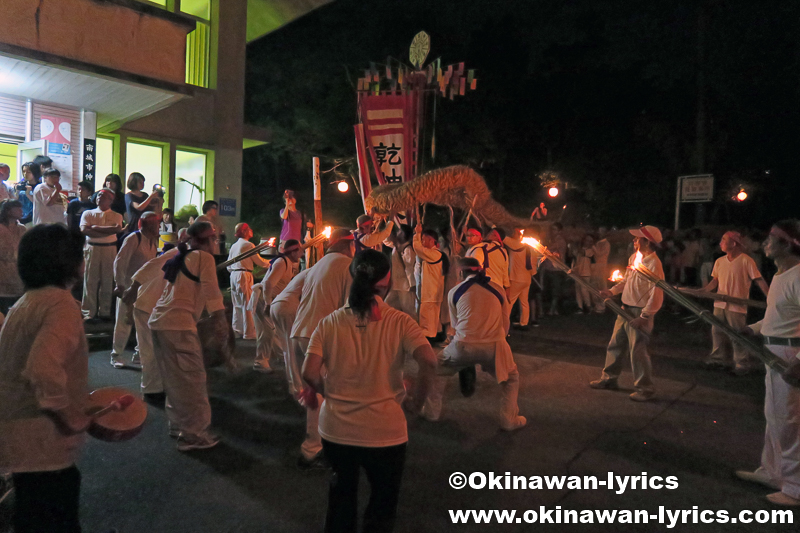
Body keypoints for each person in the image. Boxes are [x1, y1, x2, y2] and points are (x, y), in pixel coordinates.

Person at [302, 249, 436, 533]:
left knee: (341, 498)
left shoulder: (330, 323)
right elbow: (429, 361)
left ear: (353, 276)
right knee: (382, 504)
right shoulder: (400, 322)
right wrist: (415, 402)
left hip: (337, 429)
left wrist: (332, 390)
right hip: (385, 432)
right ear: (386, 280)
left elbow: (309, 373)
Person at [0, 224, 93, 533]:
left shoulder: (25, 303)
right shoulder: (61, 305)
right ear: (67, 262)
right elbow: (43, 368)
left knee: (30, 517)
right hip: (44, 441)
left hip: (18, 438)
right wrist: (70, 416)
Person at [735, 220, 800, 506]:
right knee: (774, 417)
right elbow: (778, 317)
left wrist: (799, 361)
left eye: (771, 238)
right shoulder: (780, 275)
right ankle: (772, 472)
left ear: (787, 244)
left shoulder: (799, 276)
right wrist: (754, 328)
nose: (765, 243)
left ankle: (795, 488)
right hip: (774, 352)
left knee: (789, 422)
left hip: (789, 356)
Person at [149, 221, 228, 451]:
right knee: (193, 381)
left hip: (159, 322)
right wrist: (221, 322)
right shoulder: (204, 258)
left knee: (174, 380)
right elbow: (212, 292)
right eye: (212, 238)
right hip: (178, 326)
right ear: (203, 240)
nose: (214, 242)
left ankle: (178, 426)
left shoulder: (181, 256)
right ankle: (193, 435)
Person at [422, 257, 527, 430]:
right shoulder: (498, 289)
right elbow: (505, 323)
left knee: (437, 371)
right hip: (495, 346)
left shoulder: (455, 292)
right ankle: (509, 420)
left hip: (463, 346)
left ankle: (432, 412)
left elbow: (456, 327)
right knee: (511, 379)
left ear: (461, 272)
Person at [291, 228, 355, 469]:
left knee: (315, 393)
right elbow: (349, 308)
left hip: (301, 331)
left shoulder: (319, 264)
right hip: (319, 336)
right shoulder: (347, 266)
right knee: (329, 392)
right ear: (350, 245)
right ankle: (315, 449)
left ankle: (318, 445)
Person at [590, 225, 664, 401]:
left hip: (640, 312)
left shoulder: (654, 263)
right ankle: (609, 379)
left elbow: (657, 292)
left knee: (638, 350)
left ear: (647, 241)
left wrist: (644, 316)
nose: (634, 240)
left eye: (638, 238)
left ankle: (645, 388)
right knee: (615, 344)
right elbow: (626, 280)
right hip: (624, 308)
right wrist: (612, 291)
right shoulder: (634, 257)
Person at [703, 231, 770, 374]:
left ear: (733, 243)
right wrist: (703, 291)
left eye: (723, 240)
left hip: (736, 305)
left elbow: (758, 279)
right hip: (719, 303)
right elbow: (714, 282)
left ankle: (742, 364)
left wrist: (770, 297)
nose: (720, 243)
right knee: (717, 332)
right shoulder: (719, 261)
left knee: (738, 334)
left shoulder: (746, 260)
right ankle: (717, 359)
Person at [122, 248, 177, 402]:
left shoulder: (187, 255)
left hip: (153, 305)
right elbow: (152, 265)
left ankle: (156, 387)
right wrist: (133, 288)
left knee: (154, 349)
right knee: (150, 350)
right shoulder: (178, 252)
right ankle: (152, 390)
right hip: (148, 305)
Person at [110, 212, 159, 368]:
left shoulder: (153, 241)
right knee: (124, 321)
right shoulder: (133, 239)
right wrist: (119, 284)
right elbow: (120, 262)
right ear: (147, 224)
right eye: (155, 224)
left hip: (145, 289)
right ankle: (116, 354)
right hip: (128, 287)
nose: (158, 226)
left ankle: (139, 353)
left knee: (144, 322)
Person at [251, 238, 302, 373]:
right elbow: (268, 283)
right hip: (263, 298)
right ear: (293, 252)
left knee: (275, 330)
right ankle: (260, 361)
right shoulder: (282, 262)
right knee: (267, 331)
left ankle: (280, 355)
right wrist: (268, 304)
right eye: (299, 251)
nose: (301, 254)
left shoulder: (287, 262)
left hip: (268, 298)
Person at [80, 189, 123, 320]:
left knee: (107, 280)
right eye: (99, 195)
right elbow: (84, 230)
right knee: (90, 280)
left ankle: (104, 311)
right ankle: (88, 312)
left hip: (109, 249)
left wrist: (94, 228)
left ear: (111, 200)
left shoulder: (117, 215)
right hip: (92, 248)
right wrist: (107, 232)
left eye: (104, 196)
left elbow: (117, 229)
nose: (100, 198)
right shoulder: (88, 213)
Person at [271, 269, 310, 397]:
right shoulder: (320, 272)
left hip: (277, 304)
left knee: (287, 348)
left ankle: (293, 384)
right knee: (293, 348)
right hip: (288, 305)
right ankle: (298, 387)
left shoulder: (312, 270)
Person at [227, 222, 269, 340]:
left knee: (237, 304)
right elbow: (259, 261)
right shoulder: (248, 245)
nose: (251, 230)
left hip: (234, 275)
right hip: (244, 274)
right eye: (249, 229)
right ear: (244, 231)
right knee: (247, 303)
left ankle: (237, 329)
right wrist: (271, 263)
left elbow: (228, 265)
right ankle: (249, 332)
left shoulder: (234, 246)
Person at [413, 225, 447, 341]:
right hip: (432, 293)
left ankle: (428, 342)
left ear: (432, 240)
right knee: (432, 321)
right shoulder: (435, 254)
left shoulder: (434, 254)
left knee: (427, 322)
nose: (422, 242)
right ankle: (435, 338)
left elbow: (417, 248)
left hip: (430, 294)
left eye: (424, 239)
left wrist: (417, 234)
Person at [504, 228, 538, 329]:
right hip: (527, 278)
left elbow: (502, 236)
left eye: (513, 232)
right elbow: (534, 266)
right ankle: (524, 323)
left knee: (509, 301)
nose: (511, 234)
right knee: (524, 302)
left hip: (516, 278)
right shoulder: (532, 247)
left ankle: (504, 324)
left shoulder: (515, 243)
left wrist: (492, 224)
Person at [466, 228, 511, 298]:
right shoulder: (504, 252)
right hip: (499, 288)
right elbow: (505, 272)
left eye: (491, 233)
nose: (488, 234)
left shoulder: (481, 247)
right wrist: (507, 287)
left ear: (496, 236)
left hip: (485, 286)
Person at [0, 200, 26, 313]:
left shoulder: (22, 228)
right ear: (8, 211)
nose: (21, 211)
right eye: (17, 208)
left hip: (17, 272)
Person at [385, 224, 417, 317]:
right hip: (396, 284)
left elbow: (409, 268)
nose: (397, 233)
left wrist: (412, 285)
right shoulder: (396, 246)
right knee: (387, 306)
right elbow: (386, 240)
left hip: (405, 286)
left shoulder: (408, 249)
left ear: (403, 234)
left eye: (399, 231)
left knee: (409, 311)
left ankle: (414, 330)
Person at [542, 223, 568, 315]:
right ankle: (554, 309)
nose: (553, 231)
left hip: (557, 269)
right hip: (549, 268)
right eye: (552, 229)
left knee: (555, 290)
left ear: (559, 231)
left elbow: (548, 249)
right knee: (550, 289)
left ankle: (552, 309)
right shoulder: (551, 240)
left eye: (555, 229)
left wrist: (540, 247)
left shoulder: (560, 241)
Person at [124, 172, 155, 237]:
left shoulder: (145, 195)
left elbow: (152, 208)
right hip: (134, 225)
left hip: (146, 224)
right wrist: (151, 196)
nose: (142, 184)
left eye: (143, 182)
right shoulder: (129, 196)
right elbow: (139, 207)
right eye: (140, 182)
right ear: (134, 182)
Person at [572, 234, 596, 314]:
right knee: (578, 290)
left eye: (590, 241)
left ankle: (588, 306)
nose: (588, 242)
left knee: (584, 290)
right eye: (587, 240)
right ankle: (580, 307)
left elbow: (582, 252)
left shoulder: (591, 250)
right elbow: (574, 256)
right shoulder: (580, 249)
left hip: (586, 272)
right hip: (577, 271)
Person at [591, 227, 611, 313]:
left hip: (602, 267)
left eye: (601, 232)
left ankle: (603, 305)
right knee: (595, 286)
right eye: (598, 231)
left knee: (602, 286)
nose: (599, 233)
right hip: (596, 267)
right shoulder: (599, 243)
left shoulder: (606, 244)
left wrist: (592, 247)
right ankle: (597, 305)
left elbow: (599, 254)